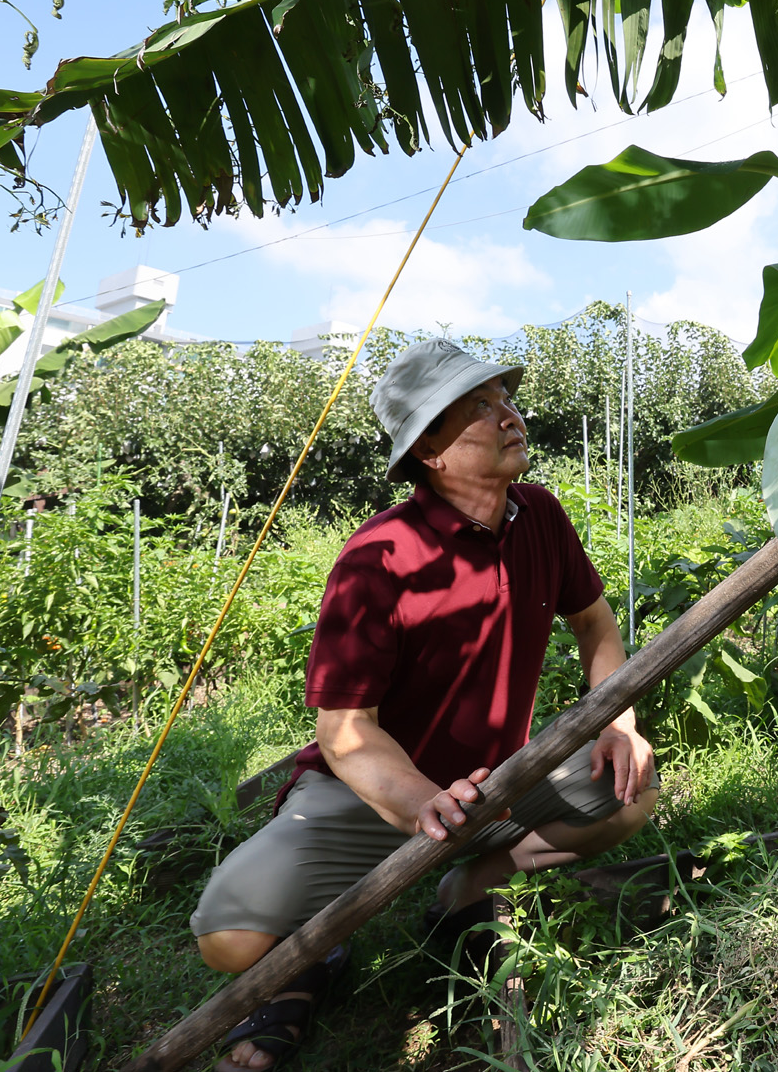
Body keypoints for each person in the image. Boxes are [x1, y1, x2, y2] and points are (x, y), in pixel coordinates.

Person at [190, 340, 658, 1072]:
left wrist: (619, 721)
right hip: (378, 793)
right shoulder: (380, 559)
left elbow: (594, 623)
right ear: (430, 451)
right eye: (481, 407)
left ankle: (463, 891)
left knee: (630, 794)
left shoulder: (539, 515)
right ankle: (309, 957)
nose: (510, 415)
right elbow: (345, 732)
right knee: (227, 937)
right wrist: (422, 804)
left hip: (501, 777)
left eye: (506, 398)